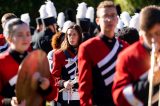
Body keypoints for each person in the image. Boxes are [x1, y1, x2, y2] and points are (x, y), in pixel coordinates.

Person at [78, 1, 128, 106]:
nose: (109, 19)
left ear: (117, 19)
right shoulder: (87, 47)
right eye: (105, 16)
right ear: (97, 20)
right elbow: (84, 87)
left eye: (113, 15)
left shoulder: (125, 46)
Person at [112, 5, 160, 106]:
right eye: (149, 34)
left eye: (158, 33)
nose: (154, 39)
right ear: (141, 32)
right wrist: (148, 82)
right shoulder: (127, 56)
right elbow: (119, 98)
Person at [51, 24, 82, 106]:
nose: (71, 37)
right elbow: (54, 77)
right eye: (69, 35)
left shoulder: (84, 52)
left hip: (81, 96)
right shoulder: (59, 54)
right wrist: (63, 83)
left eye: (74, 34)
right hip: (64, 97)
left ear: (79, 36)